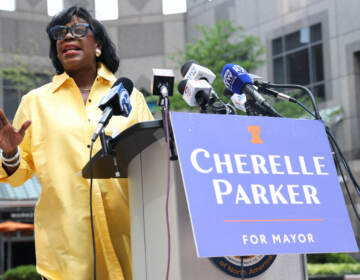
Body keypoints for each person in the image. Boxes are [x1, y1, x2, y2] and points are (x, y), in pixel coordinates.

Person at [0, 6, 153, 280]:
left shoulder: (131, 98)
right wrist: (10, 152)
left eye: (79, 30)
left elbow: (150, 161)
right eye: (60, 33)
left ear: (98, 45)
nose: (67, 37)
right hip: (66, 254)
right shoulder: (35, 102)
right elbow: (18, 175)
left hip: (129, 245)